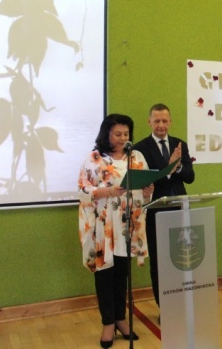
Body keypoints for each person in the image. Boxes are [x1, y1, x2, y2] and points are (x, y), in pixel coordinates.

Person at [78, 114, 154, 348]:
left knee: (122, 274)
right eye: (117, 134)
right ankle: (108, 323)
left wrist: (148, 191)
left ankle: (121, 319)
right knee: (105, 275)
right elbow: (83, 190)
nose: (122, 138)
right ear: (107, 134)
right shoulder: (94, 159)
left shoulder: (136, 157)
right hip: (103, 226)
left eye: (126, 134)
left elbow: (144, 190)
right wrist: (108, 192)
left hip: (127, 226)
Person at [133, 103, 195, 310]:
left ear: (170, 122)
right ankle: (164, 307)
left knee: (181, 257)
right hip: (155, 211)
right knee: (160, 260)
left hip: (180, 209)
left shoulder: (180, 144)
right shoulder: (140, 148)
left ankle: (181, 302)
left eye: (165, 121)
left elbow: (190, 177)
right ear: (149, 122)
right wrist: (170, 167)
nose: (161, 125)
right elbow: (145, 181)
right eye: (157, 121)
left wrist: (177, 167)